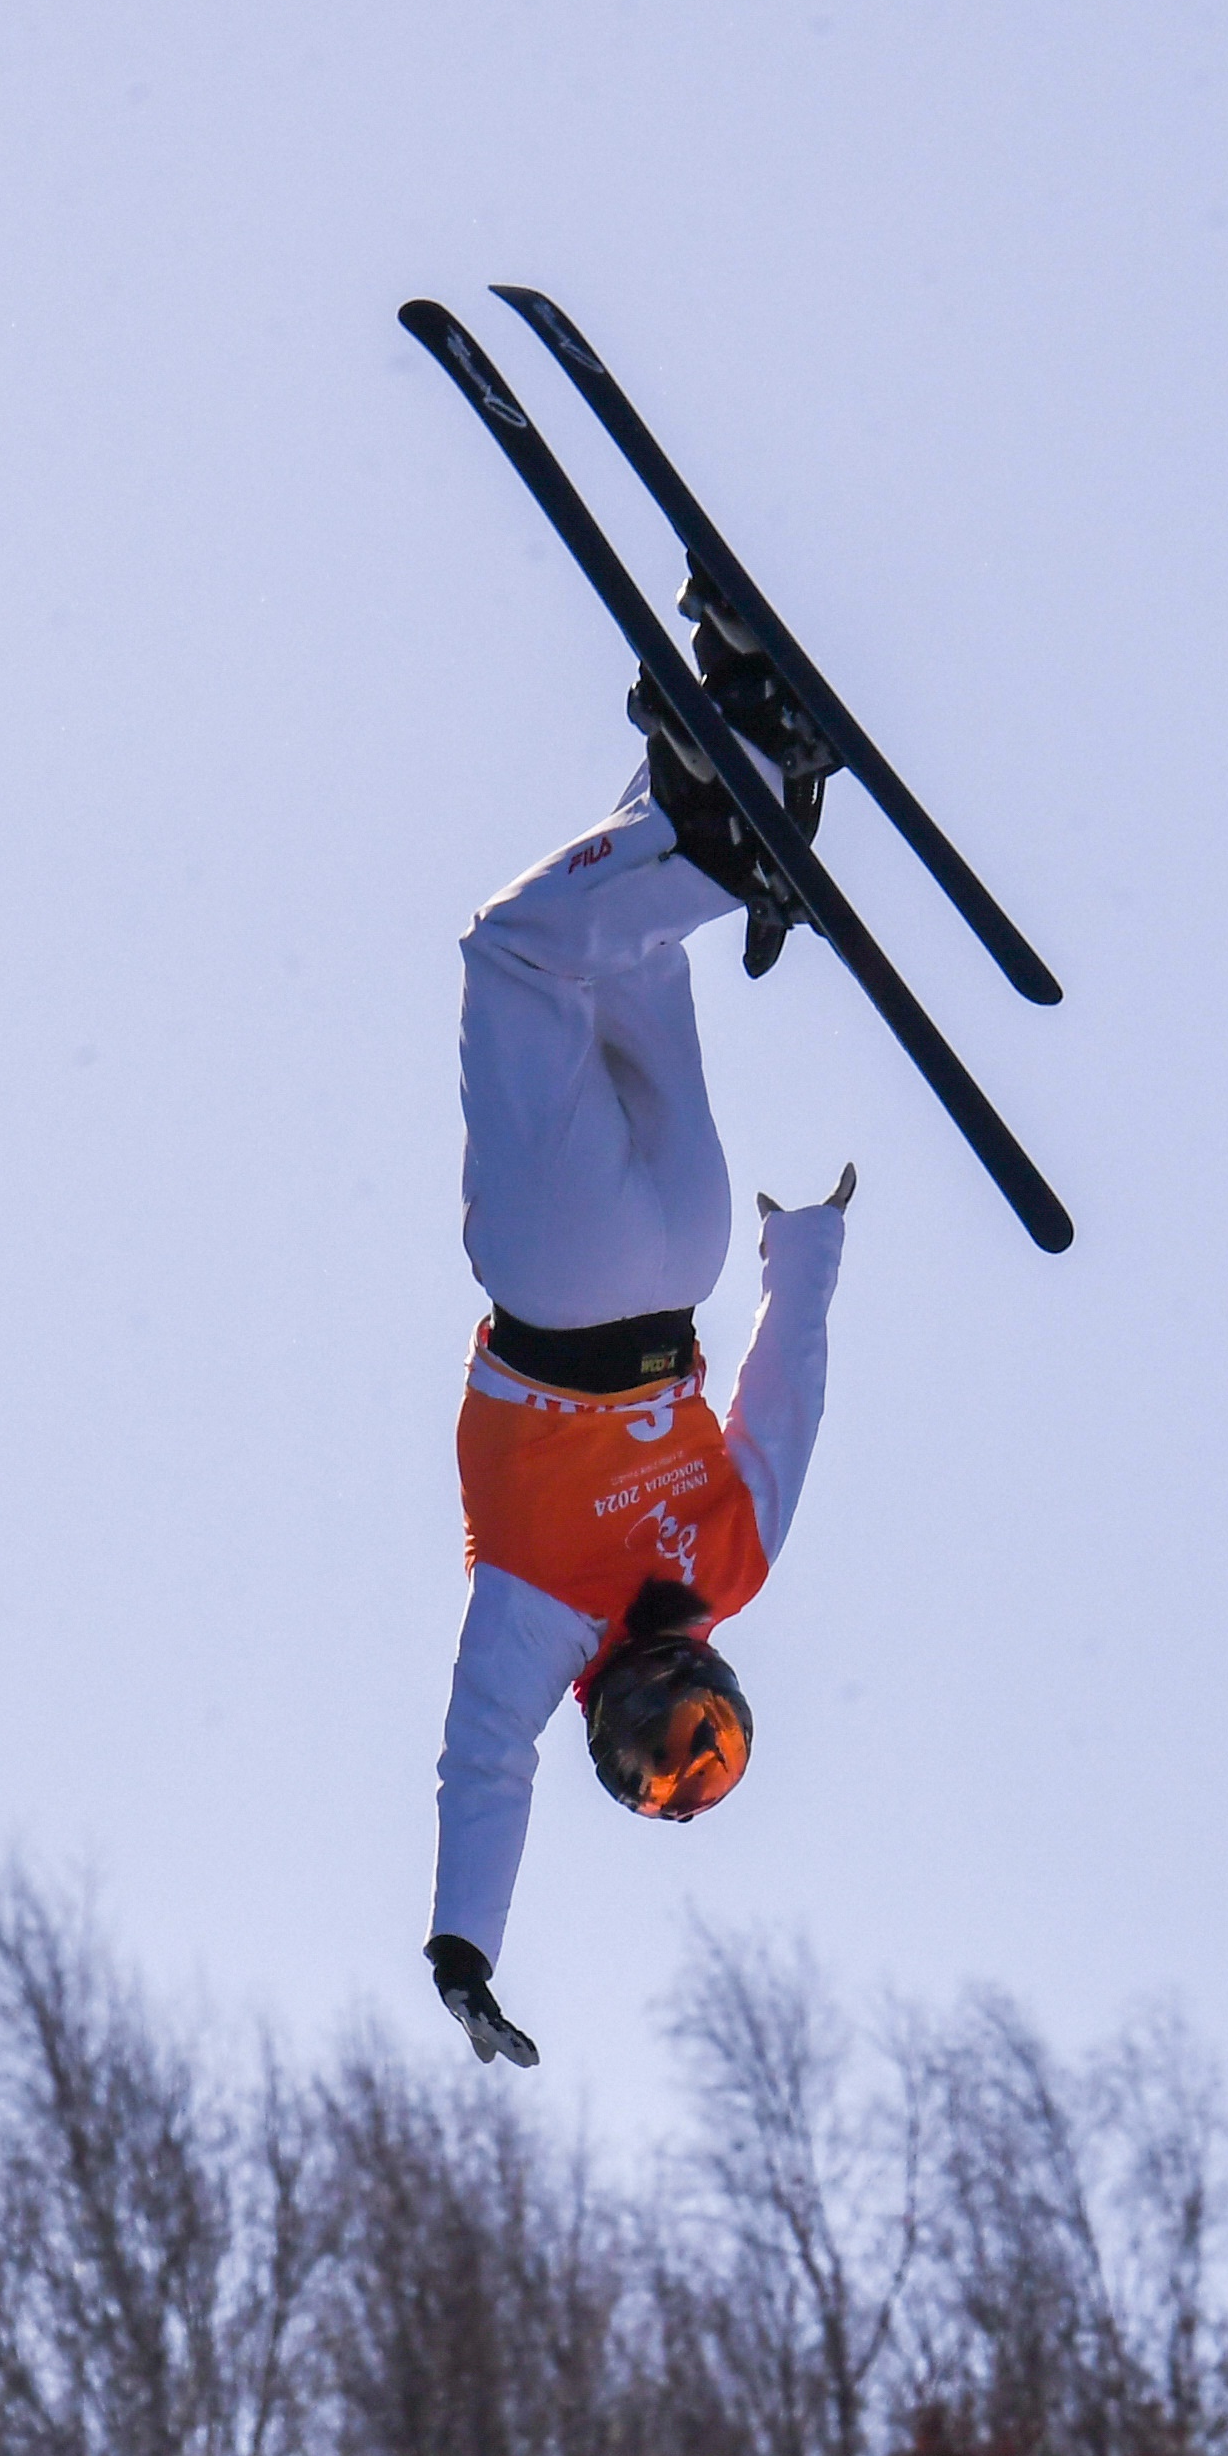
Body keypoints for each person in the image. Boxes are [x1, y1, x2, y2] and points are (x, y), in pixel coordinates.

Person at [419, 663, 853, 2069]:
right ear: (707, 1690)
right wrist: (457, 1948)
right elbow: (484, 1761)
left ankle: (718, 747)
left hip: (689, 1248)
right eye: (683, 1725)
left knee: (622, 956)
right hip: (568, 1281)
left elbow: (787, 1402)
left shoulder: (724, 1567)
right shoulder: (541, 1625)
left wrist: (808, 1258)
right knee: (520, 955)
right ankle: (728, 842)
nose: (645, 1714)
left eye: (636, 1747)